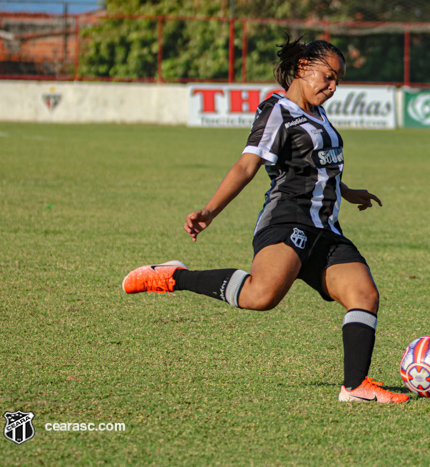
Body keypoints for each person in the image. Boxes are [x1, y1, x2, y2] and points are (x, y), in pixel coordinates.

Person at [122, 36, 410, 404]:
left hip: (326, 229)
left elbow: (315, 166)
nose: (334, 86)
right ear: (304, 68)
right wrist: (209, 212)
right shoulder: (278, 110)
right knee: (261, 296)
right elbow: (247, 165)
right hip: (288, 219)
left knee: (364, 294)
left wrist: (347, 191)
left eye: (338, 79)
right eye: (329, 76)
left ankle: (354, 387)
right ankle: (173, 277)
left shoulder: (318, 113)